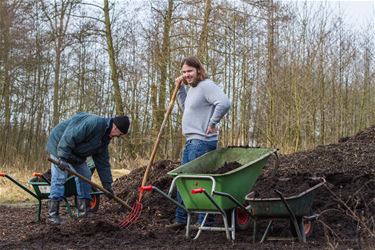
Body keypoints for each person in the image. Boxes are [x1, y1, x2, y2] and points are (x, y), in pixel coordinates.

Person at [169, 56, 231, 229]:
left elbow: (224, 103)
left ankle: (205, 220)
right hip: (191, 142)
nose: (187, 75)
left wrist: (213, 123)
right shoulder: (193, 90)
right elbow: (186, 108)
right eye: (184, 72)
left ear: (198, 70)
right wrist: (180, 90)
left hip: (202, 142)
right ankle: (181, 219)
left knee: (199, 182)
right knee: (183, 180)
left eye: (189, 71)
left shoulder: (206, 86)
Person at [46, 112, 130, 224]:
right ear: (115, 127)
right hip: (60, 145)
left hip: (76, 153)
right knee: (60, 177)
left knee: (85, 175)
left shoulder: (104, 139)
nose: (117, 137)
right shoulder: (94, 123)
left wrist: (107, 185)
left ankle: (83, 211)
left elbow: (103, 163)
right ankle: (53, 216)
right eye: (119, 134)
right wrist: (62, 158)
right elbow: (70, 136)